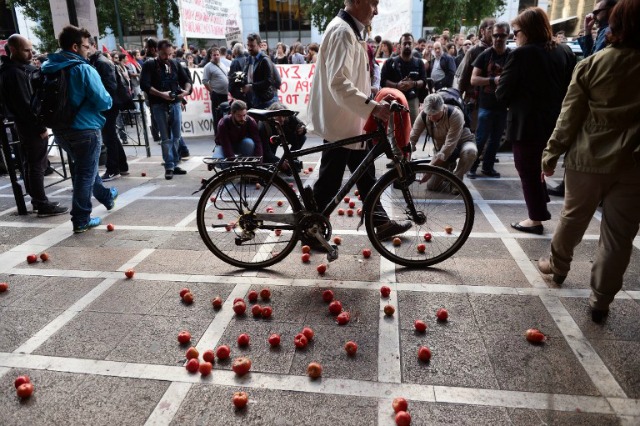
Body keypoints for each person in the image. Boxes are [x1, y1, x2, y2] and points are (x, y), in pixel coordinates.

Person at [538, 0, 640, 322]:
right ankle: (600, 300)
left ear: (616, 24)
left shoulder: (592, 65)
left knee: (573, 217)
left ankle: (557, 266)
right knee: (619, 236)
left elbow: (570, 116)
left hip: (587, 158)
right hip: (633, 165)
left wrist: (551, 152)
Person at [308, 0, 412, 242]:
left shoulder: (351, 31)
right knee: (330, 182)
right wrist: (372, 108)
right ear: (356, 1)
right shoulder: (342, 32)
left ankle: (381, 221)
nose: (376, 11)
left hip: (352, 119)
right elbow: (338, 82)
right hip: (342, 122)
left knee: (365, 172)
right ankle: (310, 230)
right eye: (373, 3)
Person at [495, 7, 576, 235]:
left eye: (516, 31)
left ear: (528, 31)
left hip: (527, 125)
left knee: (528, 170)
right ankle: (541, 205)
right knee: (540, 166)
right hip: (556, 122)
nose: (514, 36)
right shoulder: (564, 51)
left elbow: (502, 94)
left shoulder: (521, 54)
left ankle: (536, 218)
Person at [41, 25, 117, 233]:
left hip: (61, 130)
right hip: (85, 128)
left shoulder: (48, 68)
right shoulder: (83, 69)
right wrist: (108, 100)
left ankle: (106, 196)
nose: (89, 50)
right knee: (85, 172)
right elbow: (103, 101)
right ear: (75, 47)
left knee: (87, 168)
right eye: (85, 46)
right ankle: (81, 218)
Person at [549, 0, 618, 198]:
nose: (593, 15)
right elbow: (590, 58)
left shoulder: (610, 33)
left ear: (611, 10)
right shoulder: (604, 31)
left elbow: (591, 63)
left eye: (598, 11)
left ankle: (574, 186)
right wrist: (587, 33)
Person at [0, 34, 68, 216]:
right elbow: (25, 104)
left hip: (27, 124)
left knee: (33, 164)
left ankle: (39, 201)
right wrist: (40, 127)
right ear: (13, 50)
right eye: (26, 50)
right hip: (29, 125)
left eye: (31, 50)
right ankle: (41, 203)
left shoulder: (15, 70)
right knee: (36, 164)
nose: (31, 54)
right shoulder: (14, 72)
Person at [140, 39, 192, 180]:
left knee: (176, 136)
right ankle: (169, 165)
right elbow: (144, 85)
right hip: (158, 105)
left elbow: (186, 80)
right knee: (165, 137)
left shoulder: (175, 63)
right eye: (164, 54)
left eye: (170, 54)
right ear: (157, 51)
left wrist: (185, 92)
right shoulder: (149, 65)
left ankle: (174, 163)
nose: (167, 57)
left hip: (175, 104)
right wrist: (161, 94)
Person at [467, 22, 511, 179]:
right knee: (480, 138)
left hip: (503, 105)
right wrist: (493, 80)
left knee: (496, 140)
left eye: (502, 35)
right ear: (491, 36)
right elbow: (473, 79)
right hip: (486, 104)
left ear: (508, 36)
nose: (498, 38)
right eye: (496, 35)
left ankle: (488, 167)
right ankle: (471, 167)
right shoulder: (484, 55)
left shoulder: (511, 56)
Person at [409, 94, 477, 190]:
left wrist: (430, 169)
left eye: (435, 115)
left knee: (471, 151)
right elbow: (412, 138)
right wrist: (407, 154)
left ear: (443, 108)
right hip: (442, 148)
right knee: (432, 186)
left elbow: (449, 146)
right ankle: (449, 167)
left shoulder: (455, 114)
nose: (431, 118)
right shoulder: (423, 115)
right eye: (429, 114)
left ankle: (457, 181)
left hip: (463, 142)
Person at [456, 18, 496, 132]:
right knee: (475, 132)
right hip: (475, 99)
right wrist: (459, 98)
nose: (494, 31)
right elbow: (464, 77)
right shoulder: (473, 51)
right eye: (490, 28)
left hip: (492, 98)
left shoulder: (498, 51)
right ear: (482, 31)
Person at [380, 33, 427, 125]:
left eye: (409, 43)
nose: (407, 46)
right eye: (404, 43)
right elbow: (383, 81)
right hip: (393, 100)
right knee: (394, 131)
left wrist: (413, 84)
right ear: (399, 45)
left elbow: (424, 80)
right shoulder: (390, 62)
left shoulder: (419, 63)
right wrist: (397, 85)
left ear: (413, 45)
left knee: (412, 129)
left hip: (412, 100)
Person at [242, 33, 278, 109]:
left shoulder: (265, 60)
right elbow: (245, 74)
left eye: (252, 46)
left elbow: (268, 81)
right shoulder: (249, 58)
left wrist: (251, 86)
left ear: (259, 45)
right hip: (254, 99)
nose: (249, 48)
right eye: (248, 45)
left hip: (264, 100)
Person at [202, 47, 229, 132]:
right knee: (217, 115)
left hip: (226, 94)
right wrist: (212, 92)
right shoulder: (208, 67)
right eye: (214, 55)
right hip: (217, 94)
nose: (216, 56)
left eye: (217, 54)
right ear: (211, 56)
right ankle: (218, 134)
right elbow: (205, 81)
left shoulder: (222, 64)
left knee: (226, 115)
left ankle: (224, 133)